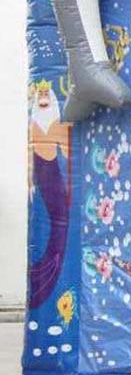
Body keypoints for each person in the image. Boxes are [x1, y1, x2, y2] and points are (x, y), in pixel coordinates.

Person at [28, 80, 71, 309]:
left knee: (59, 225)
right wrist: (29, 183)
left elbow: (68, 153)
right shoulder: (35, 125)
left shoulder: (55, 123)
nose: (43, 96)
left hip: (53, 178)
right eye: (41, 92)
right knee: (54, 225)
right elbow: (30, 157)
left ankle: (48, 273)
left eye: (46, 92)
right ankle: (42, 276)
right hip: (43, 180)